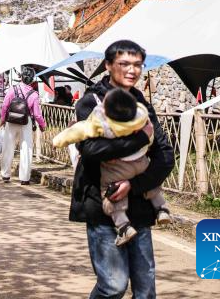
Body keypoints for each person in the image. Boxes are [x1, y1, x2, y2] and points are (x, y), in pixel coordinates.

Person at [70, 40, 174, 298]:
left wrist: (135, 185)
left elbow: (165, 156)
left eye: (138, 64)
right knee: (113, 285)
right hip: (103, 205)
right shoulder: (90, 102)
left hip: (140, 204)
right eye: (124, 64)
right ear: (108, 65)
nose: (132, 70)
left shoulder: (142, 104)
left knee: (145, 287)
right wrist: (138, 140)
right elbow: (91, 151)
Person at [53, 87, 172, 246]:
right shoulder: (137, 112)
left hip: (116, 168)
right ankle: (162, 208)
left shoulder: (98, 116)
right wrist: (144, 140)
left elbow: (79, 135)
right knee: (152, 185)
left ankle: (123, 226)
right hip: (140, 161)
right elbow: (153, 137)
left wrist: (58, 140)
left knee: (109, 192)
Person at [0, 66, 47, 185]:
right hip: (26, 122)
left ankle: (5, 174)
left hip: (11, 121)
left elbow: (4, 106)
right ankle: (24, 178)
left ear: (21, 77)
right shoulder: (34, 95)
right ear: (32, 80)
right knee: (26, 149)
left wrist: (3, 119)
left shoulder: (12, 89)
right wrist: (42, 125)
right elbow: (37, 114)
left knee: (8, 147)